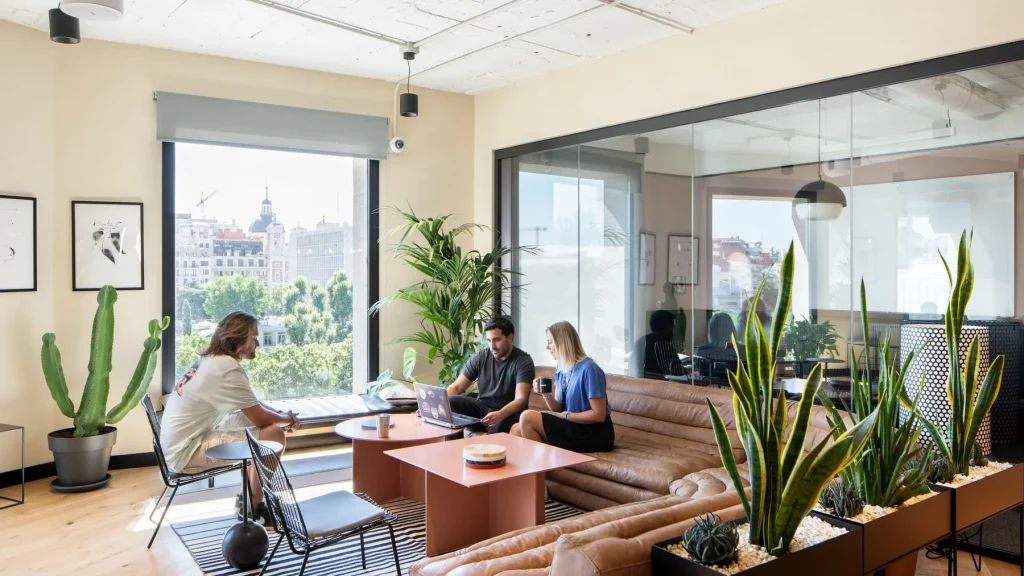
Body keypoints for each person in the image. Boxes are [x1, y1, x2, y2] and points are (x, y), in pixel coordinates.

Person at [160, 312, 300, 524]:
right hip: (185, 453)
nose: (258, 344)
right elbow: (261, 418)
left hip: (183, 441)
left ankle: (250, 499)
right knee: (273, 433)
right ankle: (253, 506)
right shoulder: (226, 369)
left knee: (266, 427)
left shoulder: (213, 361)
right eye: (254, 337)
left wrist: (283, 416)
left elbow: (254, 405)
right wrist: (288, 421)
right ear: (238, 337)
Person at [511, 321, 614, 453]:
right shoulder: (562, 368)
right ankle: (537, 472)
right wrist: (546, 394)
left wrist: (564, 416)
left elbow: (598, 415)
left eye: (550, 342)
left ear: (562, 342)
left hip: (593, 432)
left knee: (527, 417)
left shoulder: (590, 369)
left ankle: (539, 469)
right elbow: (557, 407)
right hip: (572, 425)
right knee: (516, 429)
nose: (547, 347)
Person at [445, 316, 535, 434]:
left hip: (508, 414)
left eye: (497, 340)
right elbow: (456, 387)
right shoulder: (481, 357)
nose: (492, 346)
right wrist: (436, 405)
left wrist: (500, 414)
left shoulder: (523, 361)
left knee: (499, 424)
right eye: (489, 340)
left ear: (510, 337)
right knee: (450, 401)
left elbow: (521, 399)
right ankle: (452, 447)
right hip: (482, 410)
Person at [632, 310, 683, 378]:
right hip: (659, 386)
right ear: (665, 327)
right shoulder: (663, 347)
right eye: (671, 327)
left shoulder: (641, 341)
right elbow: (677, 373)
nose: (673, 332)